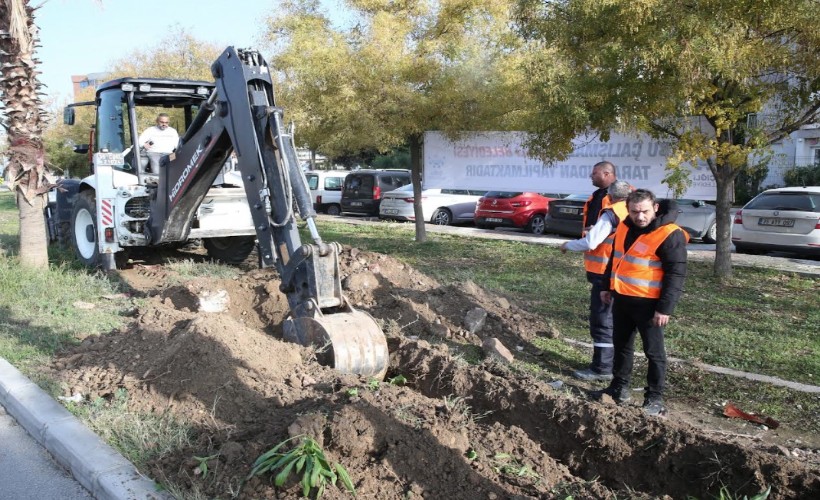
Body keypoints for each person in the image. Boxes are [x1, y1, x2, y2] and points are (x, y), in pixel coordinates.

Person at [592, 189, 688, 417]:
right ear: (628, 210)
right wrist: (607, 286)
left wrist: (665, 308)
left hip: (650, 305)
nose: (640, 217)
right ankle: (619, 388)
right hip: (622, 299)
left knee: (654, 352)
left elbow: (676, 274)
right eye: (635, 212)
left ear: (655, 208)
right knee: (622, 345)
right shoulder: (624, 226)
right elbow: (614, 259)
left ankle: (654, 398)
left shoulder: (669, 234)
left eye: (645, 211)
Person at [560, 180, 632, 381]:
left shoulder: (611, 213)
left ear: (609, 196)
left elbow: (591, 242)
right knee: (616, 321)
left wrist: (568, 245)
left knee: (602, 321)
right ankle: (614, 365)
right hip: (625, 274)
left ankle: (602, 368)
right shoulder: (632, 211)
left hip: (603, 273)